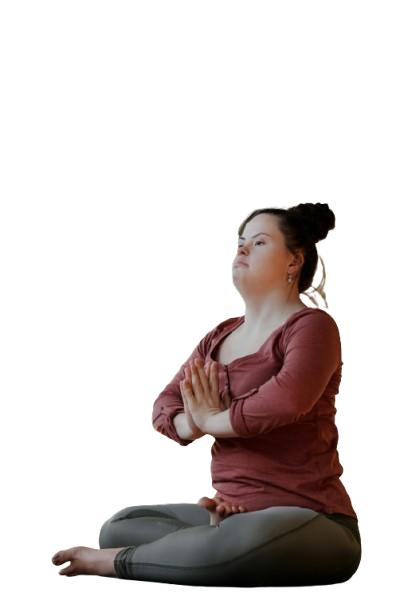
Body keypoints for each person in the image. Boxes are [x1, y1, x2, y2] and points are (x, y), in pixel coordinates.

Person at [51, 203, 361, 585]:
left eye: (259, 243)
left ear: (294, 262)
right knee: (120, 525)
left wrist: (214, 420)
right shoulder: (220, 335)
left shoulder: (313, 327)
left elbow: (286, 400)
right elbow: (165, 406)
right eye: (240, 243)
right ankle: (205, 541)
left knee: (242, 539)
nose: (242, 250)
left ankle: (115, 562)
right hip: (230, 512)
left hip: (312, 517)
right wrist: (194, 422)